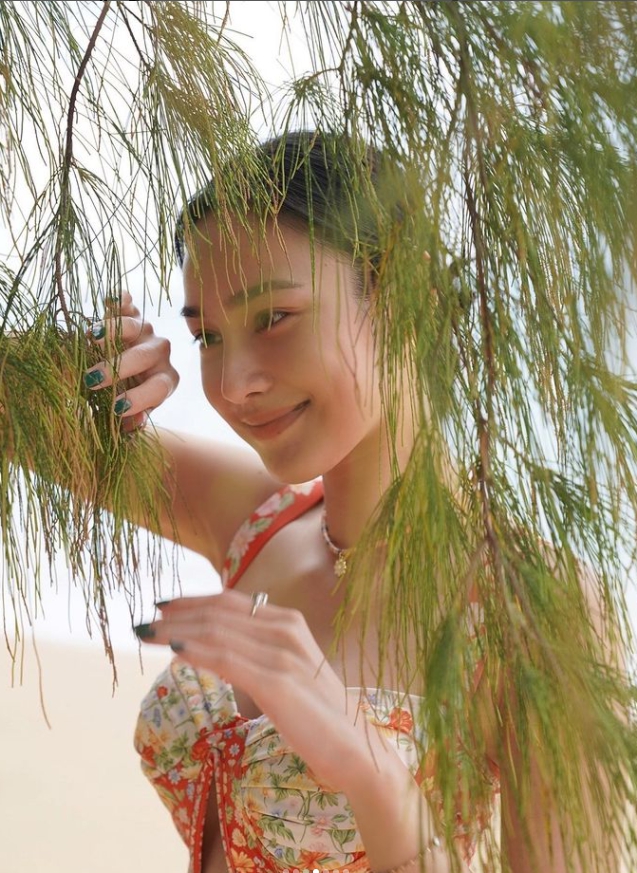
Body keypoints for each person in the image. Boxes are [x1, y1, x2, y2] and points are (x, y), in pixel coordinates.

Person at [81, 131, 609, 873]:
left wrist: (374, 778)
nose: (233, 384)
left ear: (408, 301)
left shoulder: (533, 608)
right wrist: (74, 375)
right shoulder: (257, 520)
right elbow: (23, 424)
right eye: (206, 336)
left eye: (273, 317)